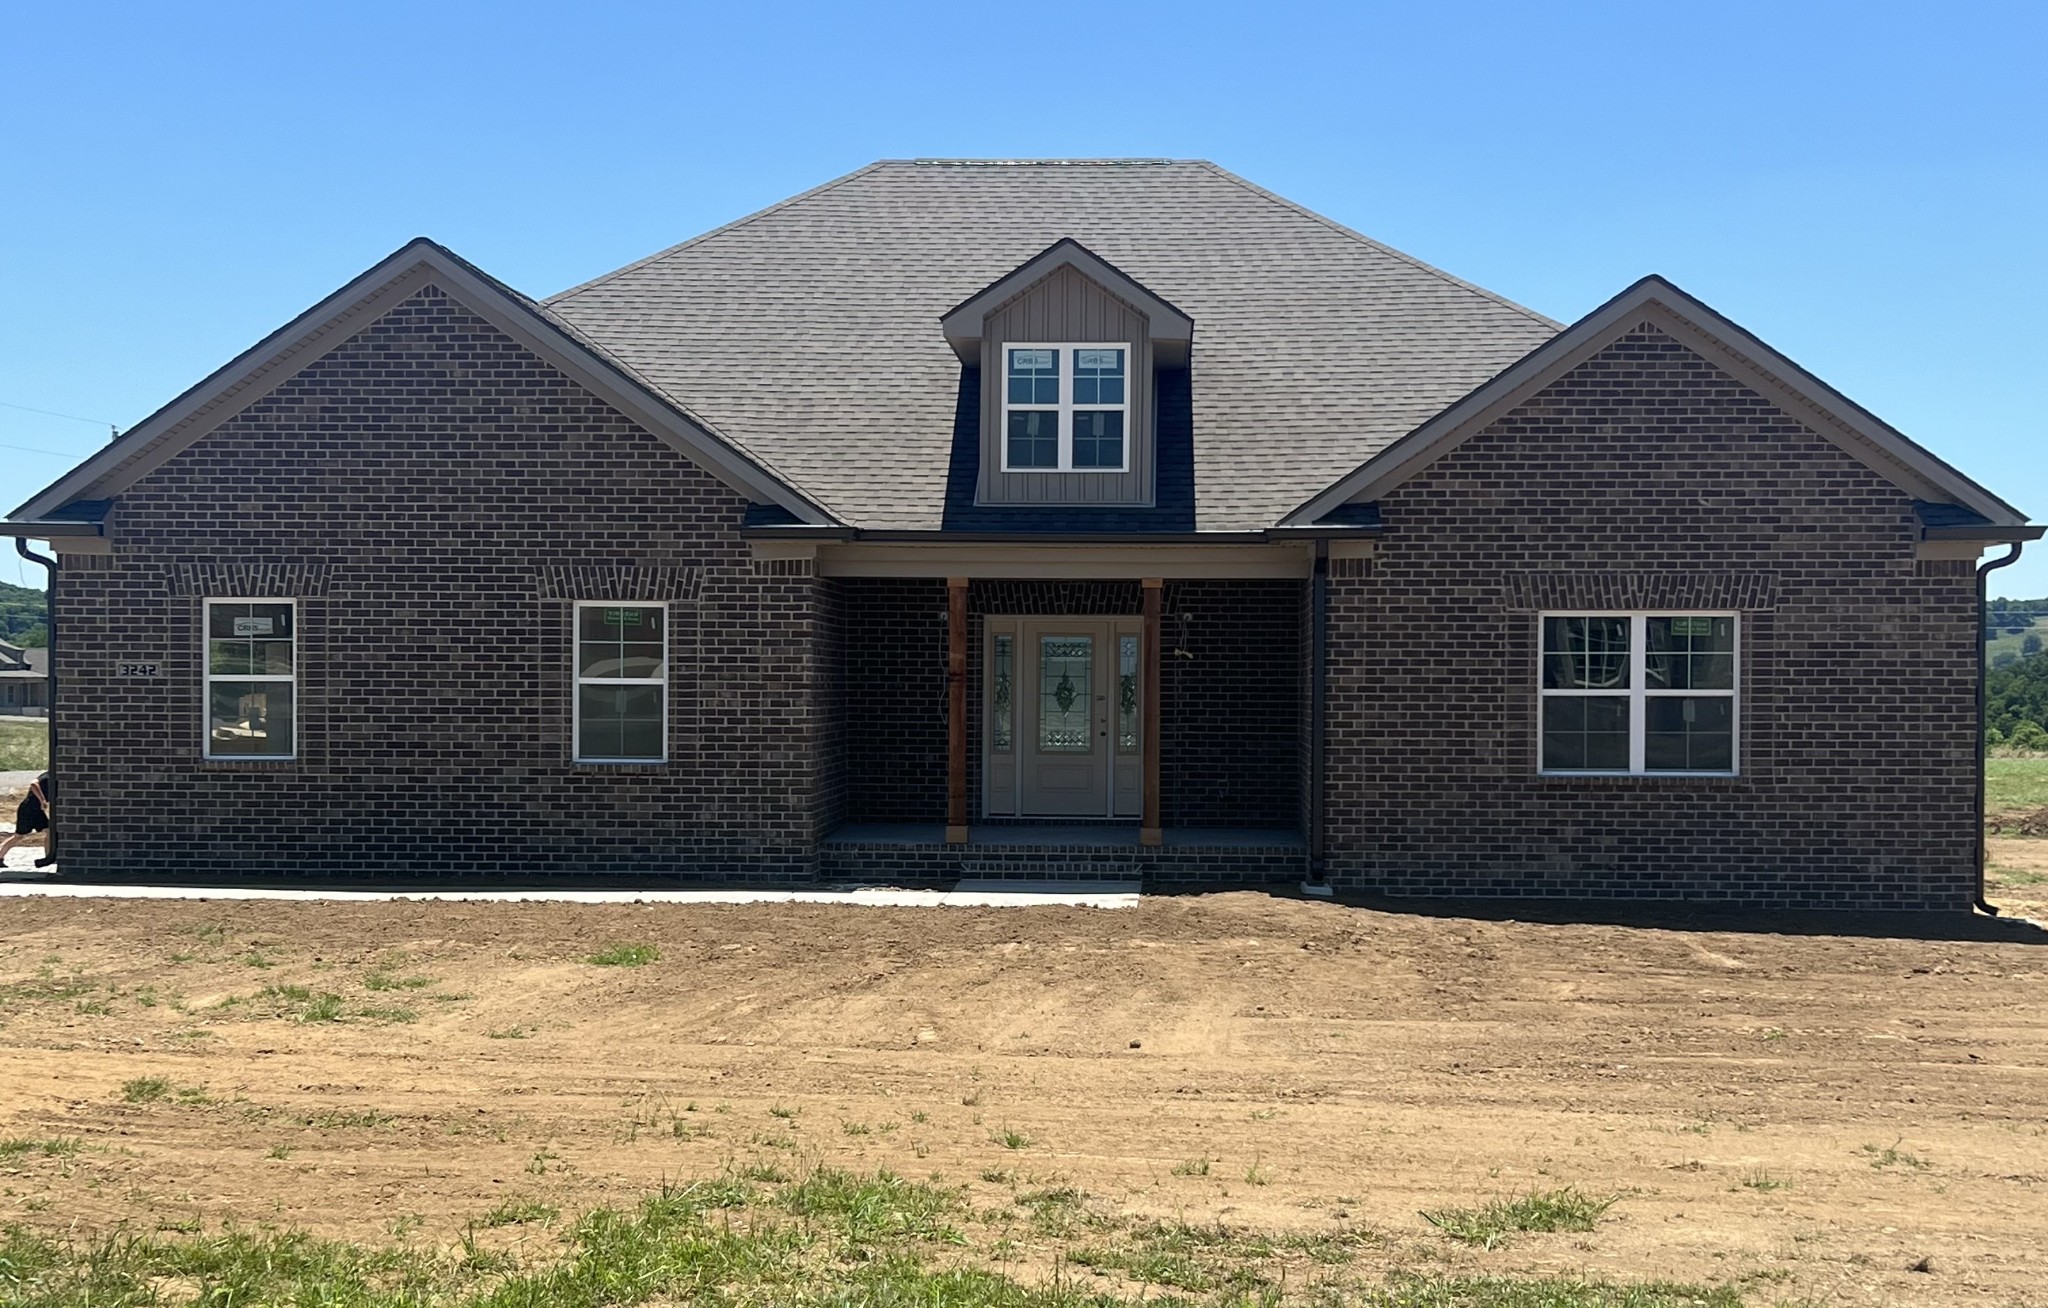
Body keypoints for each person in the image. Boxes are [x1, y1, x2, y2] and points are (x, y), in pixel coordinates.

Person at [1, 772, 51, 870]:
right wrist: (42, 800)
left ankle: (48, 857)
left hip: (37, 810)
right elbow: (33, 784)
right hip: (28, 808)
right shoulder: (47, 776)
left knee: (49, 832)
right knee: (18, 836)